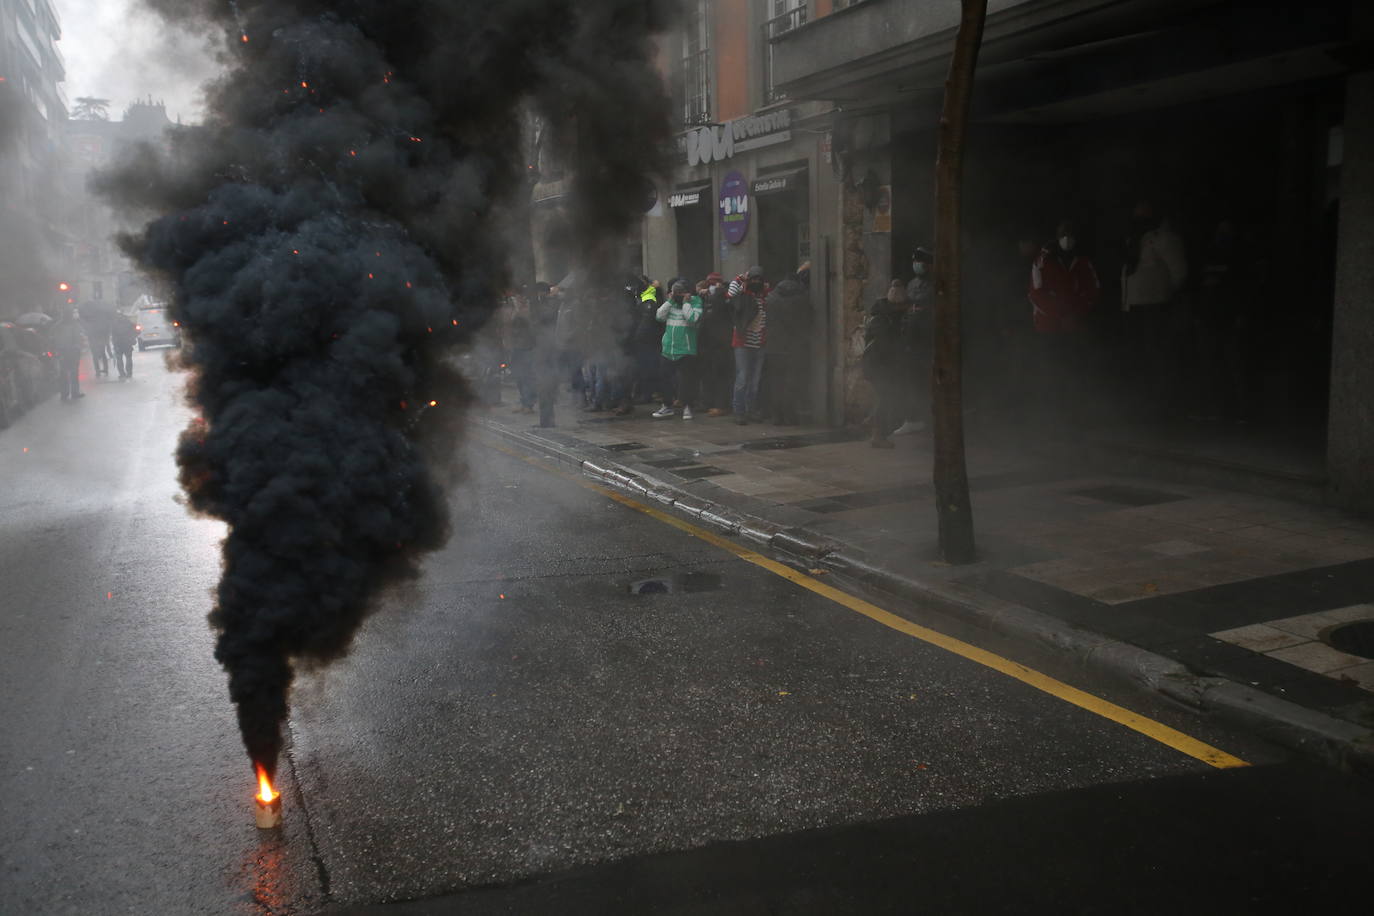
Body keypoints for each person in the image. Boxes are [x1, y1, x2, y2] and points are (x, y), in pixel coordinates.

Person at [1027, 220, 1101, 422]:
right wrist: (1061, 315)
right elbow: (1036, 294)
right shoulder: (1043, 260)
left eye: (1071, 233)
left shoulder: (1083, 259)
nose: (1067, 238)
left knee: (1073, 368)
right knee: (1050, 368)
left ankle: (1073, 412)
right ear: (1056, 235)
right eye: (1063, 234)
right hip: (1048, 326)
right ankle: (1049, 413)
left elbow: (1092, 290)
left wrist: (1076, 314)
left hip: (1074, 325)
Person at [1121, 200, 1188, 414]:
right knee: (1141, 355)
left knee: (1158, 355)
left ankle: (1164, 403)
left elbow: (1179, 272)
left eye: (1144, 212)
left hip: (1156, 305)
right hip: (1134, 305)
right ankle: (1143, 402)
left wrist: (1164, 294)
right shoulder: (1134, 239)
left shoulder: (1164, 238)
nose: (1139, 216)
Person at [892, 248, 936, 436]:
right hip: (911, 340)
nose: (917, 265)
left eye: (921, 261)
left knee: (927, 381)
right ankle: (913, 418)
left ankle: (923, 418)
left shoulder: (936, 284)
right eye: (915, 261)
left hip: (928, 339)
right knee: (911, 380)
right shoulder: (911, 284)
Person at [761, 264, 813, 425]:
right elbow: (809, 321)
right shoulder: (802, 297)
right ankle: (791, 416)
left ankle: (777, 417)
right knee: (792, 382)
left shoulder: (771, 298)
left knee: (776, 382)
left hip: (774, 347)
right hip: (794, 347)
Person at [863, 281, 910, 447]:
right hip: (878, 366)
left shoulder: (886, 316)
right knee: (886, 398)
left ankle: (872, 423)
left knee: (884, 398)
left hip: (878, 365)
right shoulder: (884, 320)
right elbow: (885, 346)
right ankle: (877, 434)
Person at [651, 281, 703, 419]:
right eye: (676, 293)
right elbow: (659, 316)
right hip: (668, 349)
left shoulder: (696, 302)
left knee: (686, 380)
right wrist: (669, 301)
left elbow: (692, 319)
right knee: (664, 378)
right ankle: (667, 406)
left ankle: (687, 407)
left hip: (686, 348)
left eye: (681, 293)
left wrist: (686, 303)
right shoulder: (671, 303)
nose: (678, 296)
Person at [729, 265, 769, 424]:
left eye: (759, 279)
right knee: (743, 378)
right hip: (742, 343)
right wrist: (741, 278)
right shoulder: (742, 293)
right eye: (753, 279)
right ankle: (739, 411)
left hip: (760, 343)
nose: (756, 282)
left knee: (755, 380)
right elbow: (731, 292)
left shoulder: (765, 295)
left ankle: (751, 409)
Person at [696, 272, 734, 417]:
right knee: (710, 375)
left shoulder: (722, 299)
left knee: (721, 377)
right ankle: (708, 402)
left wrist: (717, 292)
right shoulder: (708, 300)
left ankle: (721, 405)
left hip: (721, 345)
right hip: (709, 345)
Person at [52, 307, 87, 402]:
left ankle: (64, 393)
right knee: (74, 372)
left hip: (62, 352)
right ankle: (74, 392)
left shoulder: (57, 326)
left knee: (63, 373)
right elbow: (80, 336)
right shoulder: (75, 324)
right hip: (73, 351)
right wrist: (80, 347)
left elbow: (54, 339)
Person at [81, 304, 112, 379]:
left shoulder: (90, 319)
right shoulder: (102, 319)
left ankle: (98, 371)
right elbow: (106, 328)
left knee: (95, 356)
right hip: (100, 339)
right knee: (102, 354)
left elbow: (87, 328)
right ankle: (105, 369)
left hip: (93, 340)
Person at [110, 312, 137, 380]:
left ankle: (122, 374)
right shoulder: (129, 323)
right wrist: (132, 337)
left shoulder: (114, 324)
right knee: (128, 358)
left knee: (119, 359)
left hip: (118, 344)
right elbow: (137, 331)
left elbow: (113, 334)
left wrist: (114, 343)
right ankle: (129, 373)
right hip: (127, 343)